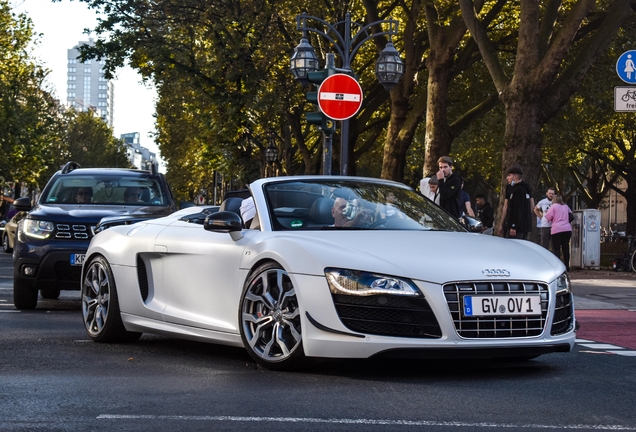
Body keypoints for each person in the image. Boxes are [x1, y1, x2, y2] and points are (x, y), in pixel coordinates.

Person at [504, 164, 533, 239]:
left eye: (509, 175)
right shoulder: (527, 188)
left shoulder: (518, 190)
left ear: (515, 176)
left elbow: (517, 209)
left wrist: (514, 226)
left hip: (517, 228)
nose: (507, 178)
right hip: (525, 225)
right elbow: (532, 206)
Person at [544, 194, 573, 271]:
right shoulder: (566, 206)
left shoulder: (553, 207)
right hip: (567, 229)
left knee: (556, 248)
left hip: (556, 229)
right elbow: (571, 216)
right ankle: (567, 266)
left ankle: (558, 266)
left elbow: (548, 217)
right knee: (565, 248)